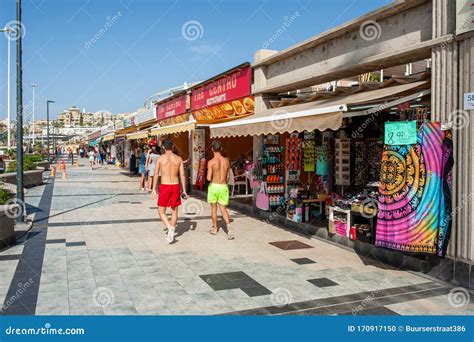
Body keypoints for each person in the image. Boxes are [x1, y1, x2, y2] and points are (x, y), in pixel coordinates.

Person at [153, 139, 187, 244]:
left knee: (161, 211)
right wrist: (184, 190)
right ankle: (171, 228)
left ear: (163, 147)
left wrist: (153, 189)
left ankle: (170, 228)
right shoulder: (179, 159)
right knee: (174, 211)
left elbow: (155, 174)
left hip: (164, 186)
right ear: (172, 147)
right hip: (175, 186)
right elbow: (182, 175)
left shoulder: (160, 158)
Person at [207, 140, 234, 239]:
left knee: (214, 209)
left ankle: (215, 229)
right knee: (223, 209)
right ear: (221, 149)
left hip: (214, 186)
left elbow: (209, 178)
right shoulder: (226, 161)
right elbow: (227, 177)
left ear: (212, 149)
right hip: (223, 186)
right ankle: (229, 226)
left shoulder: (211, 162)